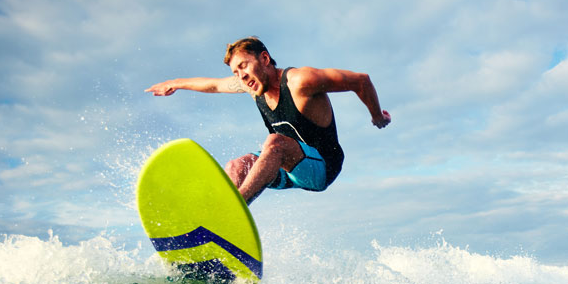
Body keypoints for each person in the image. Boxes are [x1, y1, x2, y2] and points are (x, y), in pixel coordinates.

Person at [145, 37, 391, 203]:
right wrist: (174, 84)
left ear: (264, 59)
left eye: (244, 65)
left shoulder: (300, 81)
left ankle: (234, 210)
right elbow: (213, 85)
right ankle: (214, 220)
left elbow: (361, 81)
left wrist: (377, 116)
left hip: (322, 168)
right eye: (236, 72)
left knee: (275, 143)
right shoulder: (251, 86)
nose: (241, 76)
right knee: (236, 166)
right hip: (287, 168)